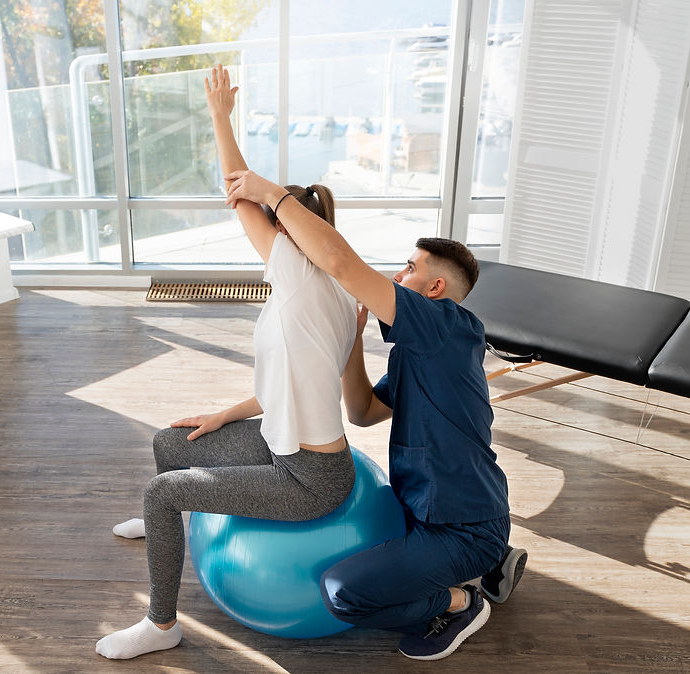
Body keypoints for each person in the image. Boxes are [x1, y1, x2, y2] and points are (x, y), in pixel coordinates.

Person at [96, 65, 358, 660]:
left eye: (274, 225)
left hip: (309, 480)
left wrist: (219, 116)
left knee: (163, 491)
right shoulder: (335, 297)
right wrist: (222, 414)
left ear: (289, 231)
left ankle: (163, 626)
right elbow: (288, 389)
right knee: (173, 441)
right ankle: (166, 523)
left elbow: (238, 188)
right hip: (281, 444)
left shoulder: (298, 274)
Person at [224, 169, 528, 661]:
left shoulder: (445, 325)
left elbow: (342, 264)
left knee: (344, 592)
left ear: (432, 288)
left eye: (407, 268)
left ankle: (461, 601)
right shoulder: (421, 349)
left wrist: (271, 196)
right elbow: (363, 412)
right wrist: (350, 344)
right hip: (438, 513)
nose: (395, 277)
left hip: (458, 526)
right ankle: (487, 564)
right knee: (378, 557)